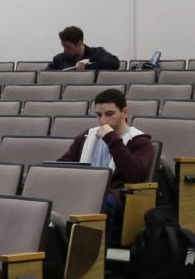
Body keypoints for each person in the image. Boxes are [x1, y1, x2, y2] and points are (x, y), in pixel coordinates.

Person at [60, 90, 156, 222]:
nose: (103, 121)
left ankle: (97, 242)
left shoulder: (140, 141)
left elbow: (136, 174)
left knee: (102, 201)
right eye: (99, 115)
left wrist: (112, 139)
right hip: (85, 188)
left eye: (110, 114)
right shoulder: (86, 137)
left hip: (117, 196)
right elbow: (63, 164)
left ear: (125, 112)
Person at [47, 25, 121, 72]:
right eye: (63, 46)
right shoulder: (58, 59)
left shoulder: (96, 53)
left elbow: (115, 63)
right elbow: (45, 76)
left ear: (79, 43)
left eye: (68, 47)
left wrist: (90, 61)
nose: (65, 50)